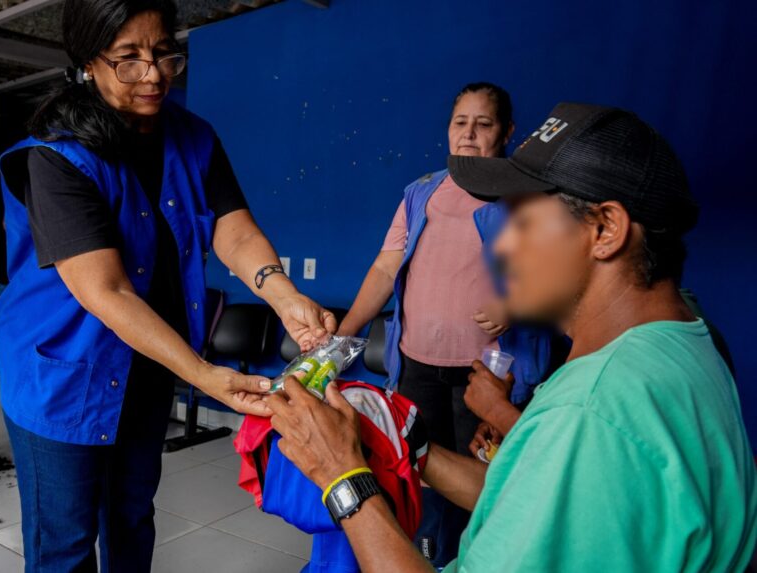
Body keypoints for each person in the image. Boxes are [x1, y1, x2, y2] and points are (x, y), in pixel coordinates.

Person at [268, 102, 757, 572]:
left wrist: (342, 476)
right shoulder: (690, 340)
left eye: (521, 221)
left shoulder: (588, 414)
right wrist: (411, 445)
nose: (499, 244)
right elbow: (530, 492)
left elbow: (578, 444)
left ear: (606, 229)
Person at [0, 1, 335, 571]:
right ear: (87, 63)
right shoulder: (54, 156)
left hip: (147, 366)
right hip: (61, 370)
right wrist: (202, 375)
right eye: (128, 59)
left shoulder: (191, 136)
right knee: (67, 540)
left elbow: (234, 228)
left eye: (164, 53)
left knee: (130, 516)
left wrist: (284, 294)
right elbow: (107, 291)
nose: (153, 74)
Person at [337, 82, 552, 565]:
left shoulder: (526, 197)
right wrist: (343, 334)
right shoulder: (421, 193)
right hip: (416, 365)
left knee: (489, 481)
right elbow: (384, 268)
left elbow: (559, 273)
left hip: (489, 379)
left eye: (484, 123)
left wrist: (513, 305)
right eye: (460, 122)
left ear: (507, 132)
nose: (470, 133)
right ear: (448, 131)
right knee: (421, 473)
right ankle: (427, 559)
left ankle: (481, 560)